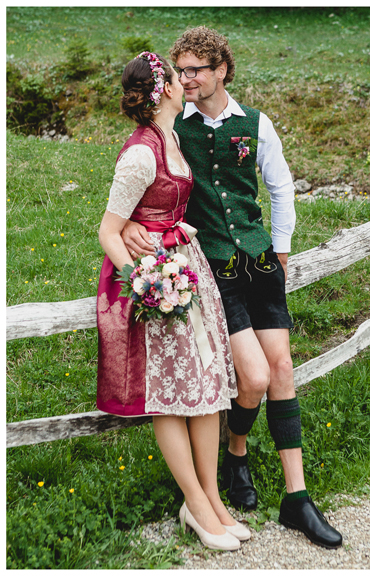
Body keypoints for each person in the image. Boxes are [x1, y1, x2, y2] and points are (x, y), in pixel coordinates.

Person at [120, 27, 342, 549]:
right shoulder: (173, 130)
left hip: (260, 260)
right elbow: (148, 184)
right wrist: (130, 224)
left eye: (198, 69)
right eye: (183, 71)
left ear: (222, 71)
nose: (188, 79)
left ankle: (297, 497)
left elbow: (280, 187)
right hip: (214, 267)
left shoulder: (257, 124)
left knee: (282, 369)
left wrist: (280, 251)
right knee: (256, 377)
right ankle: (236, 450)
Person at [97, 51, 249, 551]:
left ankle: (212, 498)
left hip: (186, 266)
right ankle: (197, 505)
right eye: (175, 77)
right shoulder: (141, 152)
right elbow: (109, 231)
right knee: (170, 393)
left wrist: (166, 233)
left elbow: (158, 207)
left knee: (206, 385)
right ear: (162, 90)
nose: (186, 82)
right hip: (157, 283)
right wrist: (143, 283)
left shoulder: (172, 137)